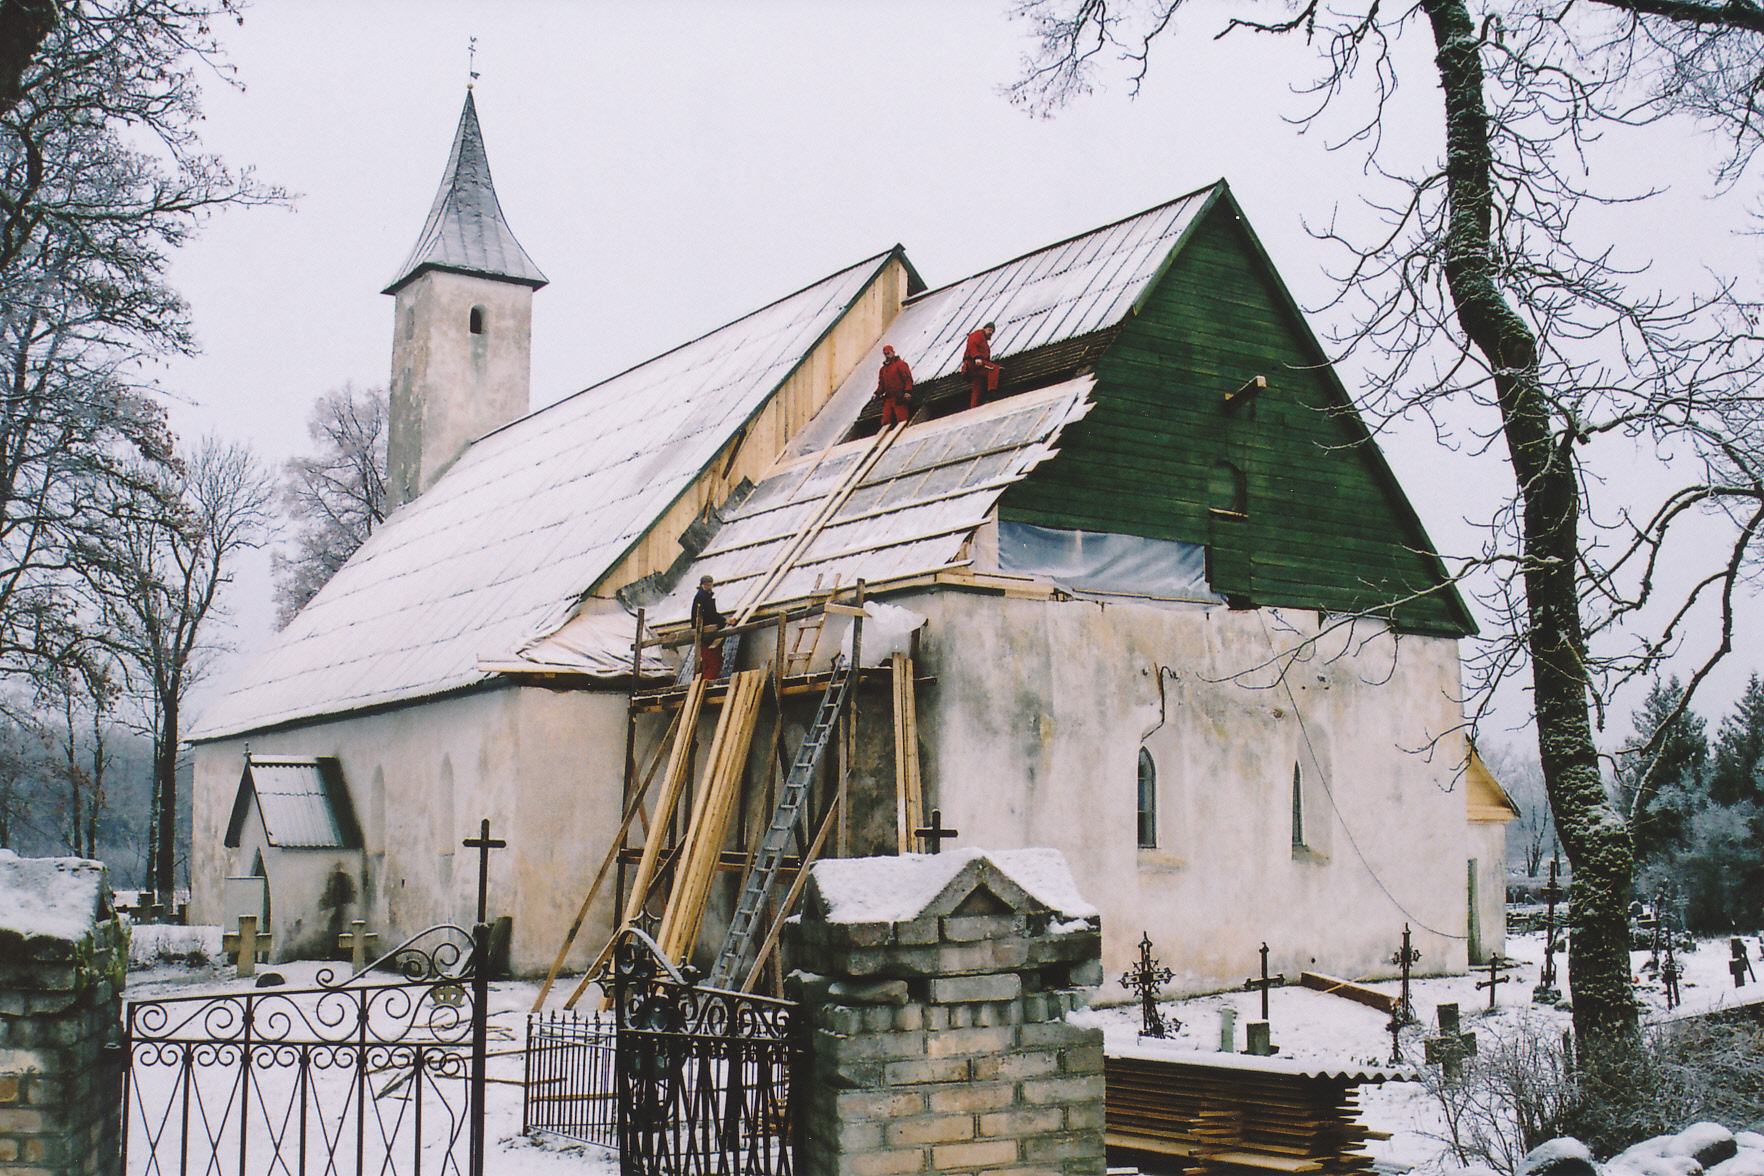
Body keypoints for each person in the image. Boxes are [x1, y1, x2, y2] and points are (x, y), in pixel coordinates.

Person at [691, 574, 726, 680]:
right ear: (703, 585)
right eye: (708, 585)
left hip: (704, 633)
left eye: (711, 585)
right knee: (712, 662)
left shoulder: (703, 596)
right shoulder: (702, 597)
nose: (710, 587)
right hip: (706, 633)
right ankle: (708, 683)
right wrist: (723, 620)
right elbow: (711, 614)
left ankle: (706, 682)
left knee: (709, 662)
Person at [875, 344, 914, 426]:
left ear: (893, 352)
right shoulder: (883, 370)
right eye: (885, 354)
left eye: (888, 353)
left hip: (899, 397)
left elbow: (908, 379)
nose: (887, 356)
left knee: (902, 419)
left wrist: (907, 391)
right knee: (886, 420)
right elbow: (881, 385)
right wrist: (877, 393)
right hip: (889, 398)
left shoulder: (901, 364)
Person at [963, 321, 998, 409]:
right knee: (994, 368)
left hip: (977, 367)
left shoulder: (984, 342)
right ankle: (992, 393)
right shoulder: (977, 335)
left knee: (977, 388)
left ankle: (973, 408)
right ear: (984, 329)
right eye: (989, 330)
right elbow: (972, 345)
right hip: (974, 363)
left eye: (992, 331)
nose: (990, 332)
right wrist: (976, 357)